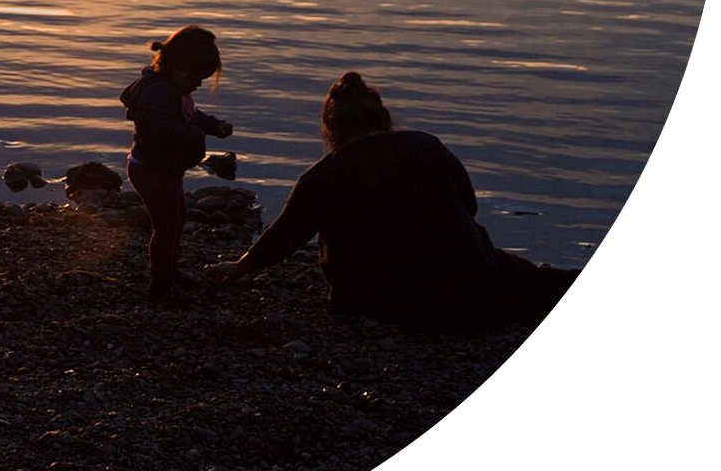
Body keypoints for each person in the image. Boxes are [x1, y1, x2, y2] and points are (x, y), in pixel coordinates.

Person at [208, 71, 582, 328]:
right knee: (534, 279)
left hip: (377, 303)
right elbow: (468, 205)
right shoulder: (426, 145)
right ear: (383, 120)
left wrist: (238, 268)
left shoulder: (320, 177)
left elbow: (285, 236)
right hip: (474, 292)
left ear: (331, 128)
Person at [121, 25, 234, 305]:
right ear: (180, 67)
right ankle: (161, 287)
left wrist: (212, 125)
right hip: (151, 169)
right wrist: (194, 135)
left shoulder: (173, 88)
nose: (198, 85)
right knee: (166, 227)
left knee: (177, 219)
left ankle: (169, 272)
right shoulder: (158, 92)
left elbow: (190, 115)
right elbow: (160, 127)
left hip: (166, 169)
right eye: (196, 77)